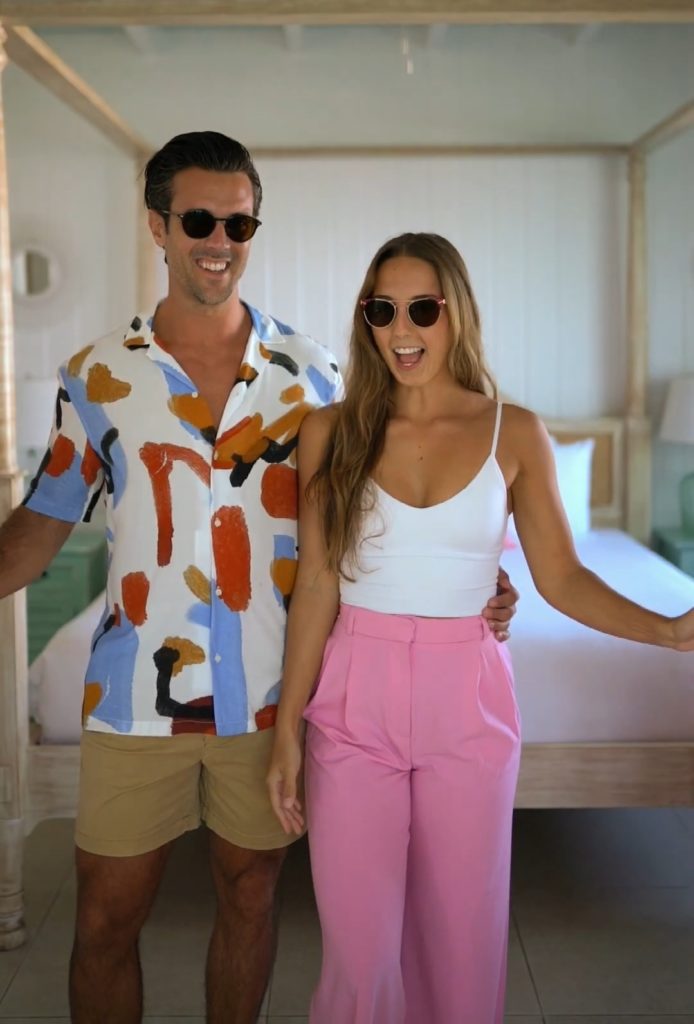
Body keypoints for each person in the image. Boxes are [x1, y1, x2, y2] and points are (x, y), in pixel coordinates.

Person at [0, 138, 518, 1024]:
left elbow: (386, 517)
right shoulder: (95, 376)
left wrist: (482, 583)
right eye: (199, 220)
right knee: (104, 919)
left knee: (250, 903)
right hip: (135, 700)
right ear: (158, 226)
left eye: (238, 222)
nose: (219, 240)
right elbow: (37, 534)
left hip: (273, 697)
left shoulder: (314, 376)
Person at [266, 231, 694, 1024]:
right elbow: (318, 584)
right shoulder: (329, 431)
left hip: (469, 701)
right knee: (357, 960)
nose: (402, 330)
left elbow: (561, 576)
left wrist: (669, 632)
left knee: (462, 951)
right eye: (382, 310)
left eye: (422, 309)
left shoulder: (516, 432)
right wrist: (288, 728)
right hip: (352, 700)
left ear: (455, 313)